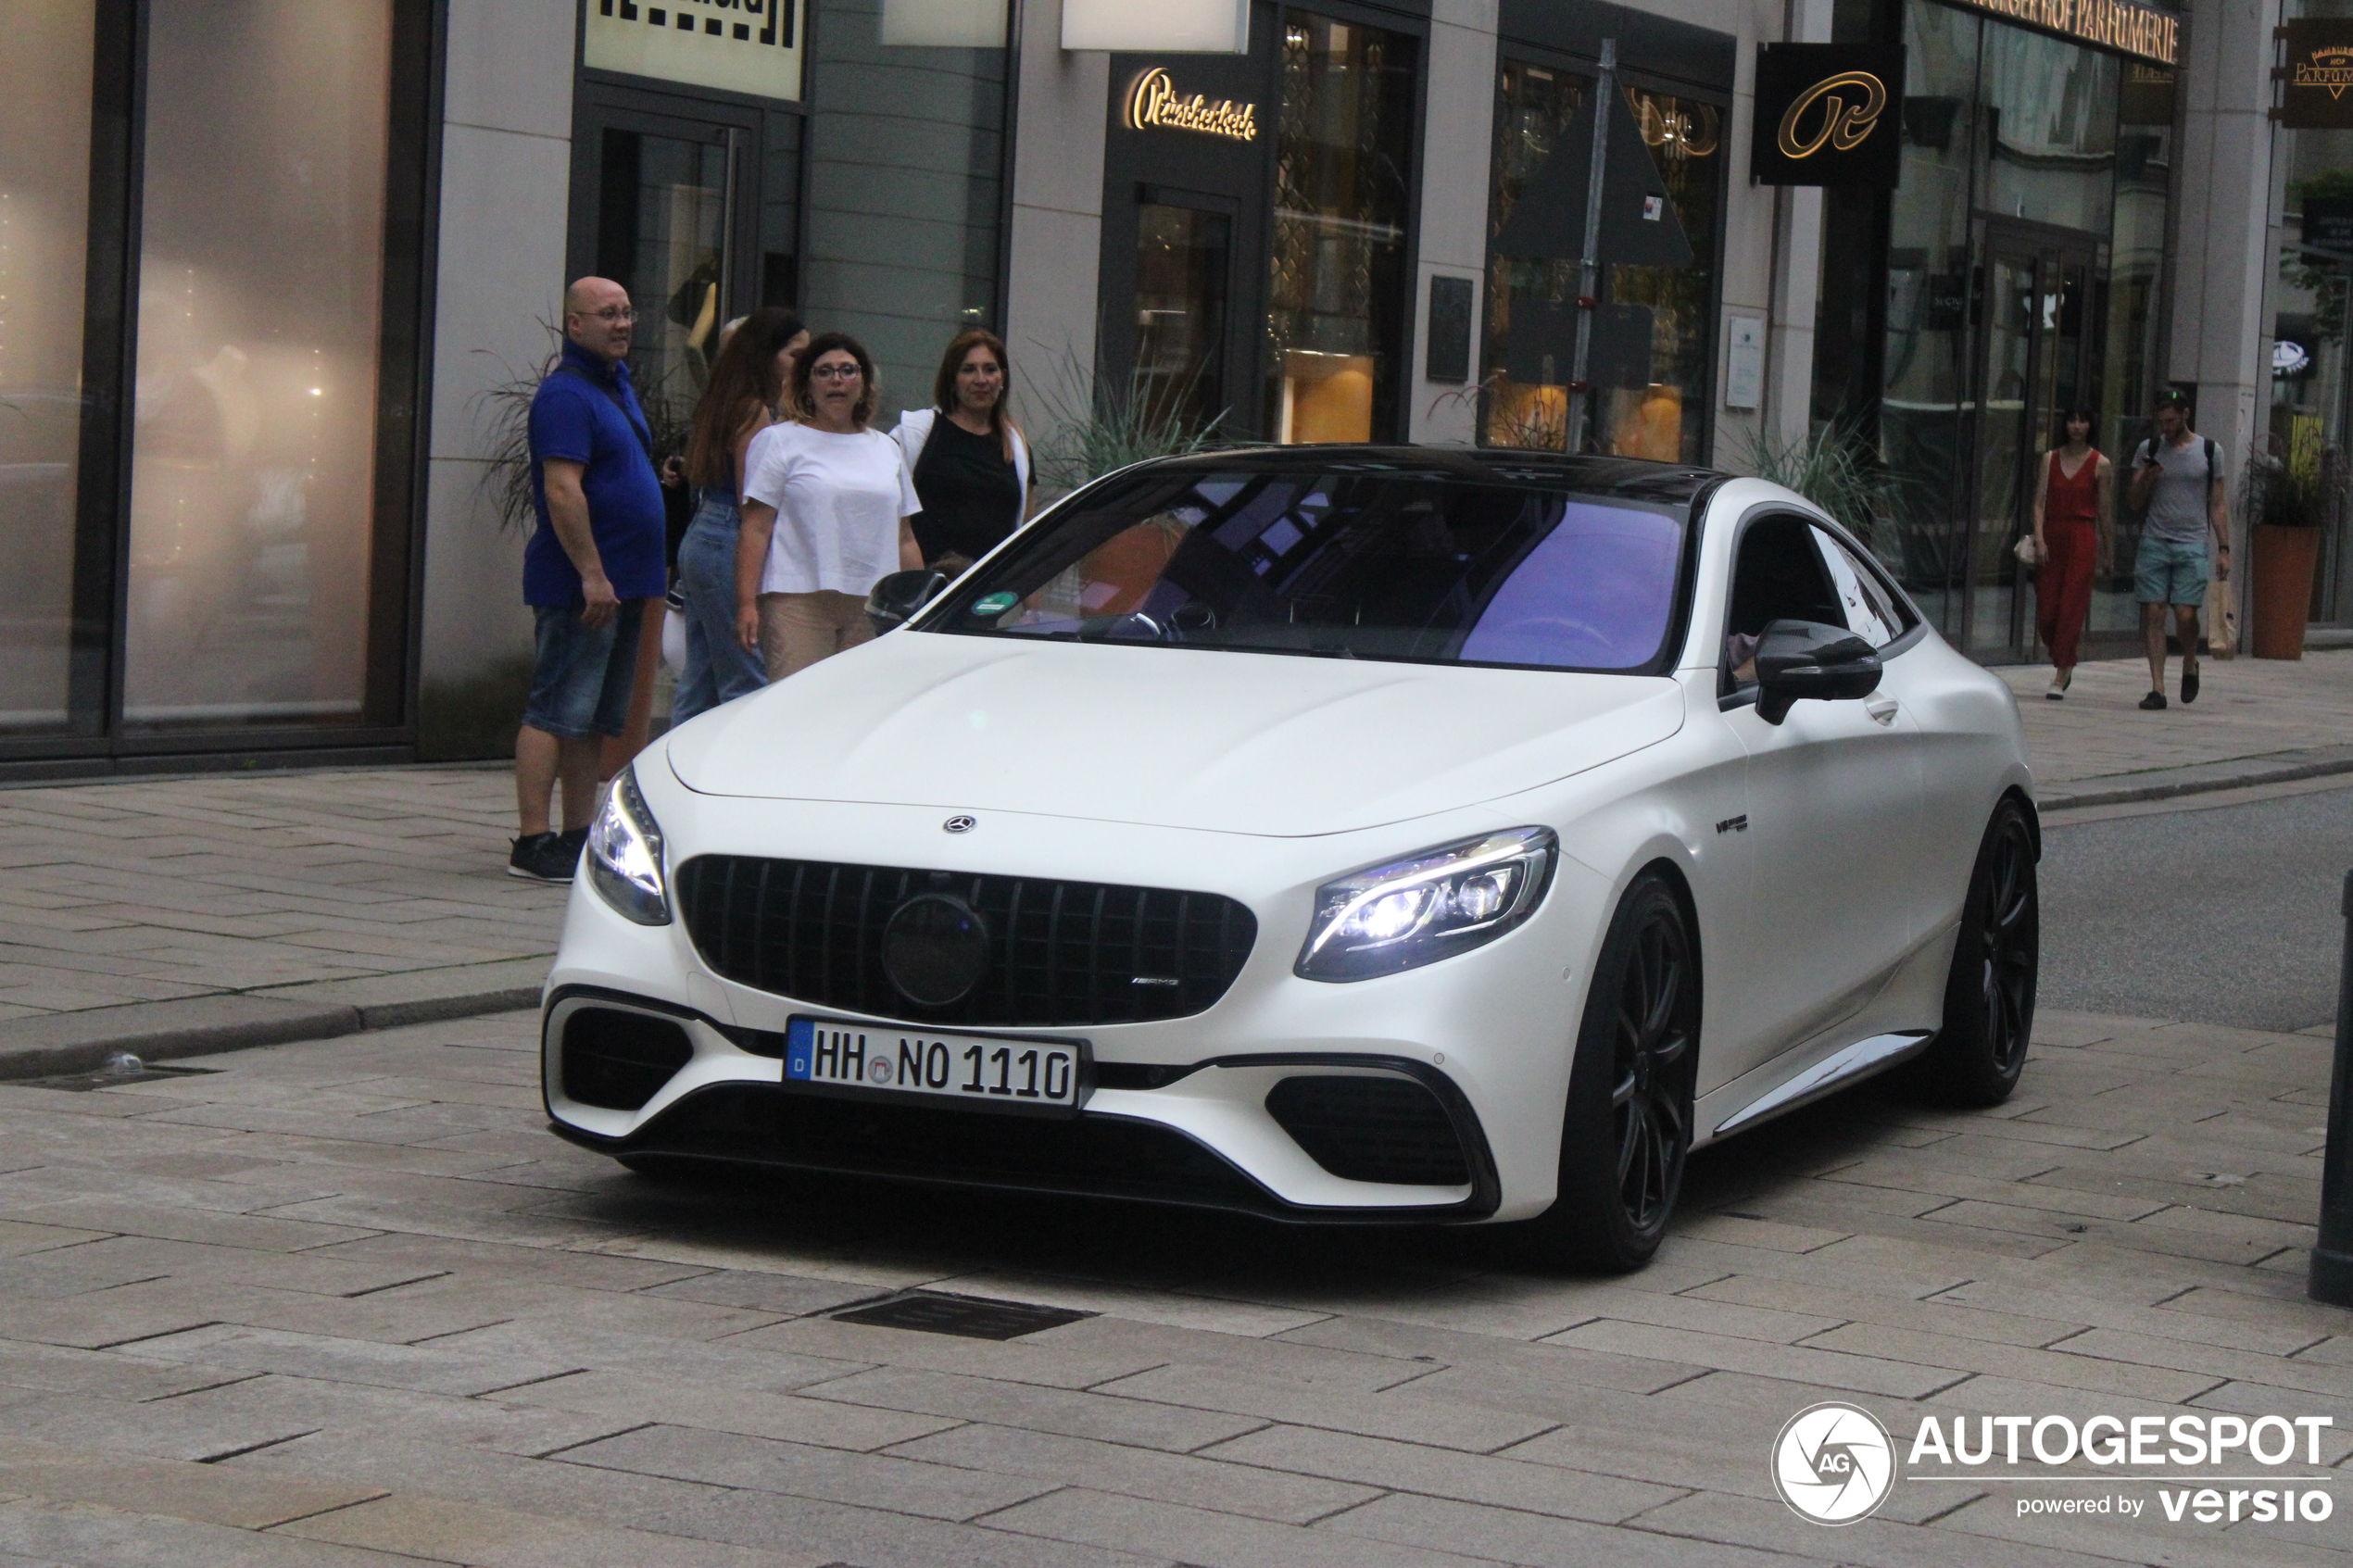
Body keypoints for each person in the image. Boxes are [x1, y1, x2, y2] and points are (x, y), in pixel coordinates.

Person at [510, 277, 668, 882]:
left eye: (628, 311)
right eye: (607, 314)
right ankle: (531, 841)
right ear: (574, 324)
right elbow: (561, 487)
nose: (623, 323)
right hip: (585, 586)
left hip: (622, 583)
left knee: (594, 719)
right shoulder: (566, 397)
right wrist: (592, 573)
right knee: (555, 710)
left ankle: (578, 834)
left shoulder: (612, 388)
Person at [735, 332, 923, 679]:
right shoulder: (778, 441)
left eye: (848, 370)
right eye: (824, 371)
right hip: (798, 600)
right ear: (807, 383)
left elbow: (905, 537)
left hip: (872, 603)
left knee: (858, 711)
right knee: (797, 709)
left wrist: (919, 603)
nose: (837, 380)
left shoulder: (887, 449)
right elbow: (756, 528)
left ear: (864, 383)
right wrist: (747, 603)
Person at [671, 307, 807, 724]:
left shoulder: (725, 400)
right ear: (768, 356)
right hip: (728, 536)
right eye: (795, 355)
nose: (804, 364)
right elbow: (752, 499)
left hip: (705, 533)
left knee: (702, 678)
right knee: (744, 679)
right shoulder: (754, 411)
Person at [892, 329, 1033, 573]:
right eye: (968, 370)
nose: (981, 380)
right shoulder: (917, 433)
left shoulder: (1017, 447)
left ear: (1003, 379)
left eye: (990, 369)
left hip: (990, 599)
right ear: (952, 379)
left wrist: (1032, 612)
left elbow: (1027, 541)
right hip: (926, 598)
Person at [2125, 389, 2231, 710]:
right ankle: (2157, 688)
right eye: (2161, 422)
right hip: (2155, 541)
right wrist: (2147, 476)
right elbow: (2132, 502)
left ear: (2186, 414)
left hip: (2192, 542)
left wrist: (2224, 548)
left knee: (2185, 615)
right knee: (2154, 611)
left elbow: (2217, 504)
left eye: (2171, 421)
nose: (2166, 428)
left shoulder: (2211, 451)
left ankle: (2189, 661)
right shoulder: (2150, 449)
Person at [2029, 406, 2112, 699]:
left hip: (2082, 537)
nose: (2077, 426)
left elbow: (2104, 511)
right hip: (2052, 535)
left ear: (2091, 425)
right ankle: (2061, 654)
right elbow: (2039, 502)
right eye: (2073, 420)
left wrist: (2109, 552)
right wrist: (2039, 538)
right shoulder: (2049, 459)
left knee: (2071, 608)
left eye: (2083, 420)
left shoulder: (2101, 464)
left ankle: (2063, 669)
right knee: (2047, 610)